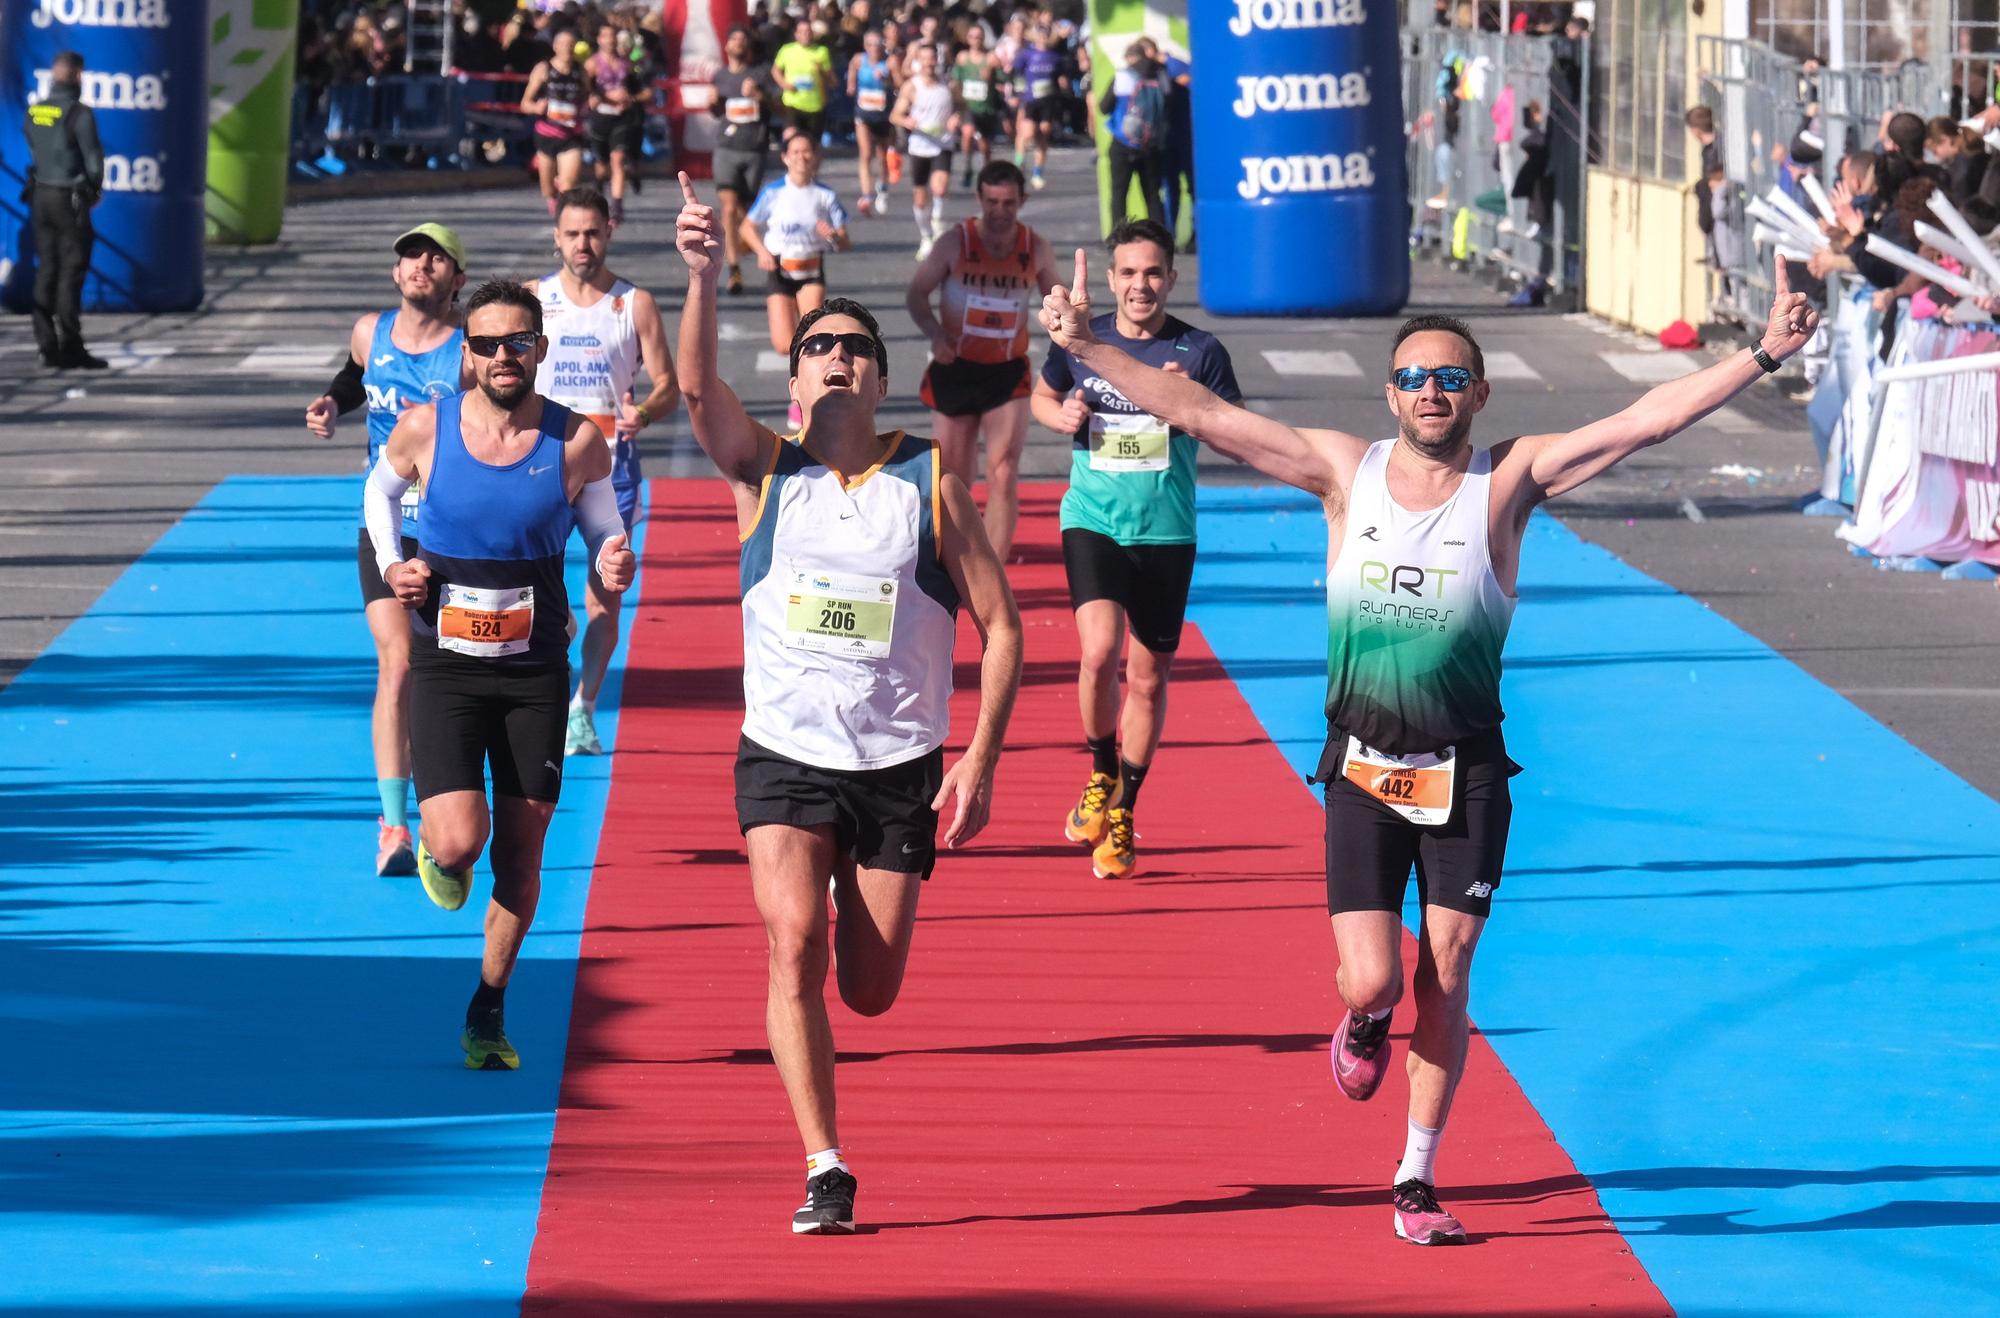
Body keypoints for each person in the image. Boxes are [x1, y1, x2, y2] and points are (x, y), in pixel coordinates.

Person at [1038, 250, 1819, 1245]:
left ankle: (1413, 1174)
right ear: (1388, 391)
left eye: (1450, 378)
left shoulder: (1508, 482)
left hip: (1468, 771)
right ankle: (1364, 1021)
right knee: (1370, 980)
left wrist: (1757, 354)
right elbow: (1197, 413)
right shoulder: (1338, 471)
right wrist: (1089, 344)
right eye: (1412, 376)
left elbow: (1640, 420)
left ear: (1478, 393)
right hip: (1361, 768)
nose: (1430, 391)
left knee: (1445, 968)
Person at [673, 171, 1024, 1235]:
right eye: (818, 346)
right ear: (793, 381)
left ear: (882, 380)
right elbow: (693, 394)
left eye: (855, 349)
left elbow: (1002, 627)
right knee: (790, 946)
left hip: (899, 763)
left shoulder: (930, 486)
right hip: (782, 753)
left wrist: (982, 757)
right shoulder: (764, 475)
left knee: (868, 990)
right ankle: (825, 1162)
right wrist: (699, 276)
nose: (837, 357)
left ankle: (847, 898)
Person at [365, 279, 636, 1072]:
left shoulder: (576, 442)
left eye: (518, 341)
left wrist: (614, 563)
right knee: (461, 840)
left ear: (541, 349)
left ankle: (488, 1006)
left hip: (533, 674)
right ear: (467, 353)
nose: (502, 355)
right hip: (447, 667)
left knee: (522, 852)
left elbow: (607, 538)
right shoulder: (424, 429)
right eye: (485, 343)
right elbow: (378, 498)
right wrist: (394, 567)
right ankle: (439, 855)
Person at [1029, 219, 1240, 880]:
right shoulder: (1082, 341)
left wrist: (1192, 404)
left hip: (1167, 532)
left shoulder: (1200, 349)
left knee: (1148, 678)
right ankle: (1100, 770)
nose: (1139, 285)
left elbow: (1236, 431)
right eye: (1128, 272)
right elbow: (1043, 394)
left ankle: (1125, 808)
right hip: (1092, 517)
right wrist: (1057, 416)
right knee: (1097, 653)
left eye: (1152, 272)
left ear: (1171, 280)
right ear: (1113, 279)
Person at [303, 223, 471, 877]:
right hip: (384, 531)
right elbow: (354, 377)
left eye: (436, 257)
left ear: (457, 279)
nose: (419, 265)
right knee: (397, 665)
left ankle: (450, 808)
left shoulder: (466, 353)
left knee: (448, 673)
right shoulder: (369, 332)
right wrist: (330, 404)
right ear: (395, 272)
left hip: (455, 537)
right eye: (409, 256)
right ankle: (396, 828)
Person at [529, 187, 680, 756]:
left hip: (610, 473)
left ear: (608, 231)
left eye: (592, 232)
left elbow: (668, 383)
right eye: (572, 234)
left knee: (604, 599)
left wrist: (643, 410)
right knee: (533, 590)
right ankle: (554, 652)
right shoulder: (534, 300)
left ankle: (582, 710)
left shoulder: (632, 303)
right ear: (557, 237)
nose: (582, 244)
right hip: (538, 465)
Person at [907, 160, 1059, 561]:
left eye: (1008, 203)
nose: (999, 211)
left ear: (1021, 201)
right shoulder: (955, 243)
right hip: (955, 368)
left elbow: (1055, 299)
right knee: (954, 478)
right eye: (992, 202)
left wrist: (1066, 315)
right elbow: (917, 294)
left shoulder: (1035, 248)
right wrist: (936, 334)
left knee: (1004, 469)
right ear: (980, 199)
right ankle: (952, 557)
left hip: (1007, 373)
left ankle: (993, 567)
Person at [743, 133, 853, 430]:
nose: (801, 157)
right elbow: (747, 227)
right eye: (796, 152)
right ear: (785, 157)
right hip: (780, 271)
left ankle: (804, 401)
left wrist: (830, 235)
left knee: (810, 340)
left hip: (811, 272)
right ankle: (800, 386)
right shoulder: (773, 192)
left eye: (807, 152)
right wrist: (762, 251)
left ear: (815, 158)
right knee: (784, 344)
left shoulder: (825, 195)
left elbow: (844, 242)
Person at [24, 50, 106, 372]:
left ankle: (46, 346)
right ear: (76, 76)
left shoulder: (35, 111)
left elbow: (32, 141)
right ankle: (71, 346)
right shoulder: (79, 114)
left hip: (40, 195)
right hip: (68, 198)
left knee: (47, 268)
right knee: (71, 271)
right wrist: (94, 189)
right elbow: (94, 159)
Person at [710, 25, 778, 298]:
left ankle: (746, 245)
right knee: (728, 207)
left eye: (742, 38)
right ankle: (734, 269)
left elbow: (778, 107)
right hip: (726, 147)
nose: (738, 42)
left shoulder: (759, 73)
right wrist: (712, 103)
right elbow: (717, 111)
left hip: (754, 148)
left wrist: (760, 96)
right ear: (726, 47)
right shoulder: (720, 76)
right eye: (734, 38)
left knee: (748, 210)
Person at [889, 44, 959, 260]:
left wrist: (957, 118)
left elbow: (961, 106)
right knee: (920, 198)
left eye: (932, 58)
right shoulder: (912, 86)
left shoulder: (948, 84)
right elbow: (894, 115)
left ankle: (938, 221)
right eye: (925, 59)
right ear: (918, 61)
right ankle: (926, 236)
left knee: (940, 187)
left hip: (942, 144)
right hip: (920, 145)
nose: (929, 63)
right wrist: (906, 120)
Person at [584, 22, 651, 228]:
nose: (610, 41)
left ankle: (617, 206)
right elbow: (586, 89)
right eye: (606, 36)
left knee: (618, 159)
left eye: (613, 36)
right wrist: (596, 98)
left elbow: (642, 90)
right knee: (602, 166)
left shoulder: (626, 64)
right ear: (599, 40)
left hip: (622, 118)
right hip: (601, 118)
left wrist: (631, 99)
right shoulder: (592, 63)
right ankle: (599, 185)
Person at [1101, 40, 1170, 226]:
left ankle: (1118, 235)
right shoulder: (1160, 74)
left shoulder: (1123, 76)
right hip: (1151, 144)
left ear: (1130, 57)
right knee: (1152, 195)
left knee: (1119, 193)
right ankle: (1160, 237)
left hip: (1123, 142)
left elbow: (1104, 107)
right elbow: (1169, 105)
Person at [524, 29, 589, 217]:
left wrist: (587, 106)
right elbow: (525, 103)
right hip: (547, 133)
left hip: (571, 135)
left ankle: (563, 220)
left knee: (568, 186)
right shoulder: (544, 69)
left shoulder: (580, 71)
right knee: (548, 189)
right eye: (563, 44)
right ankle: (554, 202)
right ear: (555, 46)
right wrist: (537, 108)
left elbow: (588, 96)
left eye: (571, 45)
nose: (567, 49)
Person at [847, 28, 897, 216]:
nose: (874, 48)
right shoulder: (859, 60)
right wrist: (851, 84)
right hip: (863, 114)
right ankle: (867, 194)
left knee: (882, 157)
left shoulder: (889, 62)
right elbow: (852, 75)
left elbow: (899, 83)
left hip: (883, 116)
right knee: (866, 153)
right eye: (870, 44)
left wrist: (886, 80)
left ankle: (883, 189)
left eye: (878, 44)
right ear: (865, 46)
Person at [1011, 21, 1064, 190]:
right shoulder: (1026, 54)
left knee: (1043, 133)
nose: (1043, 36)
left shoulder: (1055, 56)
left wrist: (1063, 85)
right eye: (1040, 32)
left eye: (1046, 33)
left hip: (1048, 101)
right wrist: (1017, 94)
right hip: (1030, 100)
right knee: (1027, 132)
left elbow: (1060, 78)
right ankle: (1019, 163)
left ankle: (1038, 173)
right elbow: (1016, 73)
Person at [953, 24, 1005, 189]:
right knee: (967, 133)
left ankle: (986, 169)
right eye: (973, 37)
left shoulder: (991, 58)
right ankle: (968, 166)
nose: (976, 40)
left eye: (979, 37)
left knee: (984, 145)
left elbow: (1003, 80)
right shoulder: (962, 57)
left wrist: (992, 76)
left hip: (986, 107)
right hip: (968, 106)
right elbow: (956, 80)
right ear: (968, 39)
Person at [772, 18, 835, 143]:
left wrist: (821, 72)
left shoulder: (821, 52)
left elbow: (832, 80)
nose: (806, 34)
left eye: (808, 31)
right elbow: (775, 70)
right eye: (802, 31)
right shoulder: (787, 50)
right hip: (793, 103)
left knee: (812, 144)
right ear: (796, 34)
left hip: (815, 105)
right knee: (791, 138)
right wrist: (784, 84)